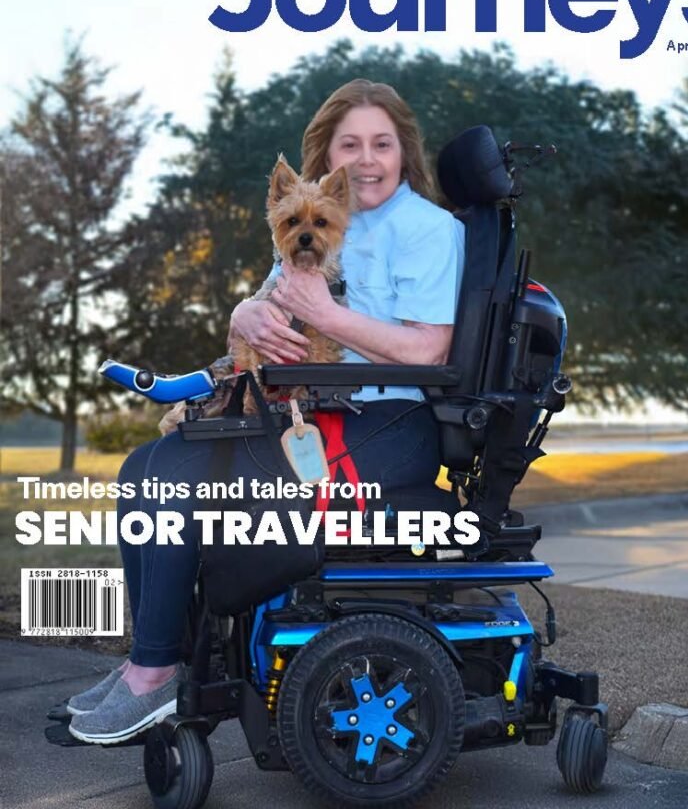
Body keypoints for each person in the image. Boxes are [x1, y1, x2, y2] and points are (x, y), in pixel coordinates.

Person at [68, 79, 465, 744]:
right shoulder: (318, 216)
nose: (367, 160)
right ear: (327, 156)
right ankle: (151, 661)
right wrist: (244, 311)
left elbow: (429, 349)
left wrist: (324, 315)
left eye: (382, 144)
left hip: (387, 420)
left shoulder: (428, 229)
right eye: (350, 145)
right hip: (304, 408)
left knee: (174, 478)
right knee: (143, 470)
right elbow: (265, 305)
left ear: (404, 152)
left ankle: (155, 677)